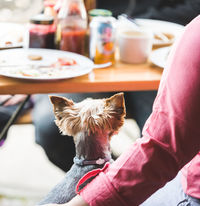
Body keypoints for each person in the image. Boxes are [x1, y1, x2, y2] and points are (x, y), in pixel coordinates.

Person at [6, 15, 200, 206]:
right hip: (92, 65)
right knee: (47, 128)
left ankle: (106, 199)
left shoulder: (195, 36)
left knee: (137, 198)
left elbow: (161, 150)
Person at [33, 0, 200, 173]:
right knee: (52, 128)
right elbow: (52, 12)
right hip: (89, 65)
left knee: (170, 137)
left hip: (158, 65)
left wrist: (134, 25)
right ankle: (114, 182)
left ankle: (135, 182)